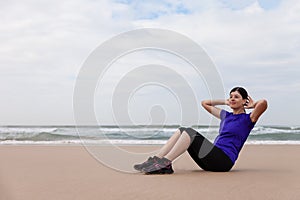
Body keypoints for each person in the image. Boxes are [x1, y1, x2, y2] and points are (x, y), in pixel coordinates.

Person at [133, 87, 268, 174]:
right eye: (231, 96)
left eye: (236, 97)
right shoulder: (226, 116)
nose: (232, 98)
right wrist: (225, 102)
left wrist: (253, 105)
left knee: (191, 133)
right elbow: (205, 103)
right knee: (182, 130)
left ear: (244, 100)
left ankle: (165, 164)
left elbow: (263, 103)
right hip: (211, 158)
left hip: (224, 161)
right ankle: (156, 160)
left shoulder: (248, 119)